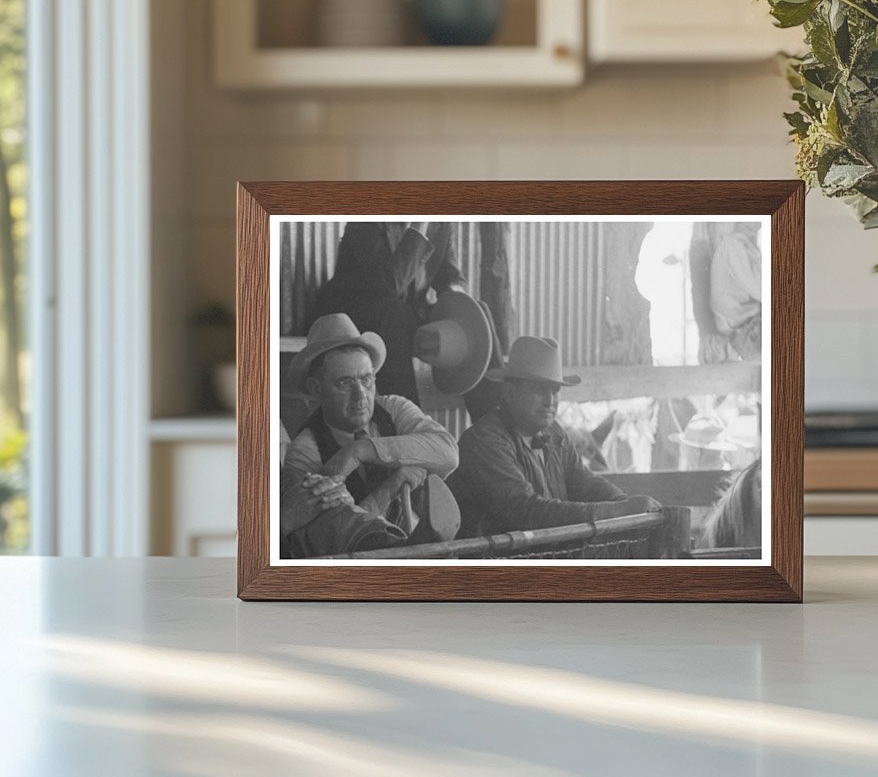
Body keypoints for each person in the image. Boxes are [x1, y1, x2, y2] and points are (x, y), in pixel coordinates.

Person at [280, 313, 460, 558]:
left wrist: (360, 450)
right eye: (344, 384)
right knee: (332, 511)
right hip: (360, 565)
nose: (361, 396)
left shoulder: (394, 408)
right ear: (316, 389)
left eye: (366, 380)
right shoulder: (305, 452)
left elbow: (448, 452)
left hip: (418, 537)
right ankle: (404, 549)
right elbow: (331, 533)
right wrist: (390, 487)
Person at [449, 336, 661, 537]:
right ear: (510, 393)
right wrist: (617, 511)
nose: (550, 401)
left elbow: (585, 483)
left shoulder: (554, 433)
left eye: (555, 390)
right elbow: (526, 512)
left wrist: (624, 503)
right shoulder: (485, 442)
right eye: (539, 390)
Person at [310, 221, 467, 404]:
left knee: (478, 313)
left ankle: (489, 415)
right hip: (353, 315)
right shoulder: (365, 222)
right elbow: (389, 285)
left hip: (403, 315)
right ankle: (406, 416)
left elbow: (451, 277)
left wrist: (459, 298)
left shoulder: (440, 224)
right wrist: (418, 227)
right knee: (393, 313)